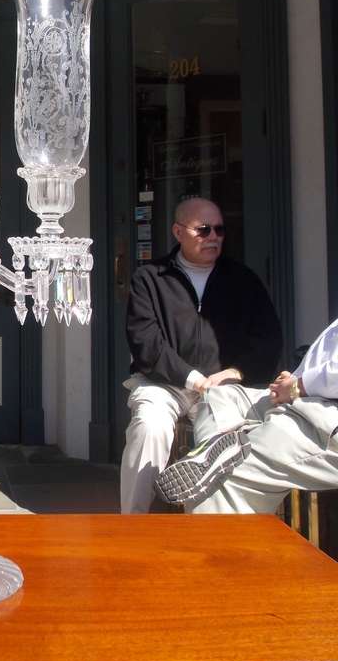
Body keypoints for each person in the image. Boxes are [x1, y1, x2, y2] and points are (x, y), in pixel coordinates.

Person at [120, 197, 282, 514]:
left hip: (223, 386)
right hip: (164, 383)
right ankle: (131, 522)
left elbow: (268, 338)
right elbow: (145, 341)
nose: (213, 237)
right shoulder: (150, 278)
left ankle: (207, 523)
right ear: (178, 232)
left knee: (219, 436)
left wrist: (236, 372)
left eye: (219, 230)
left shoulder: (243, 279)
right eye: (203, 229)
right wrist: (192, 379)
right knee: (148, 426)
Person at [155, 316, 338, 513]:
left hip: (323, 415)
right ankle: (216, 450)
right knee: (217, 396)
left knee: (223, 482)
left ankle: (225, 461)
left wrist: (298, 386)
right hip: (308, 397)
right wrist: (297, 378)